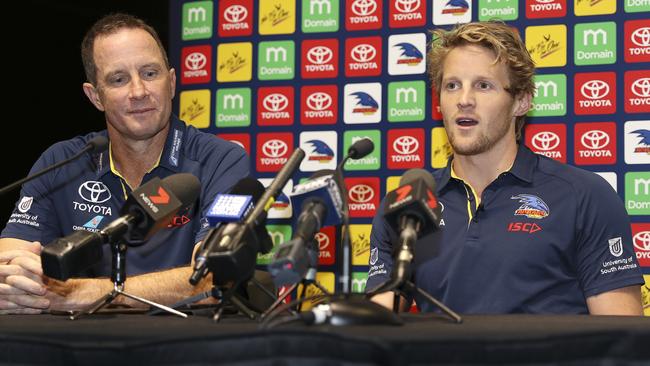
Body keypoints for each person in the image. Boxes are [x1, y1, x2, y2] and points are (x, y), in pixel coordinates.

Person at [367, 21, 643, 315]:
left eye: (483, 86)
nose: (464, 100)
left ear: (521, 101)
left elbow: (620, 339)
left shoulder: (583, 196)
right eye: (452, 86)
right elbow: (378, 325)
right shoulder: (410, 203)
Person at [0, 14, 249, 314]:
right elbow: (10, 255)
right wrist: (21, 283)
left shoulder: (221, 160)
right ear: (95, 97)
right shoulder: (61, 162)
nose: (139, 91)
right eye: (118, 79)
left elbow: (213, 277)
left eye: (150, 73)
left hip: (186, 349)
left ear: (171, 83)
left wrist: (87, 293)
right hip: (81, 348)